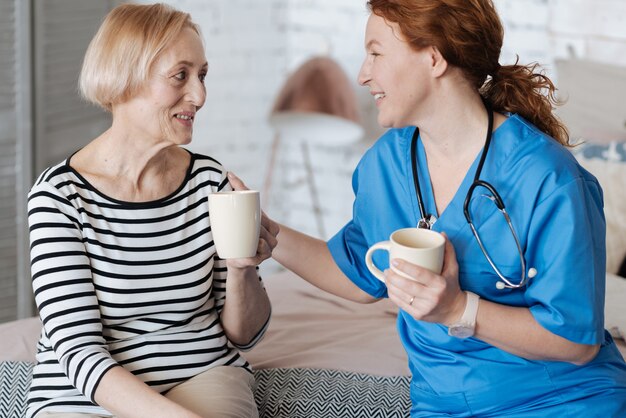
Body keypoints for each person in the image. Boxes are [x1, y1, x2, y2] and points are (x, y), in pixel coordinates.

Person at [230, 0, 626, 416]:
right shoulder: (386, 164)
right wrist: (265, 232)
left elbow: (576, 343)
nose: (363, 75)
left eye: (376, 53)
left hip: (562, 399)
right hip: (441, 404)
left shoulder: (549, 178)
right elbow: (359, 274)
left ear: (434, 58)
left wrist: (458, 309)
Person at [26, 3, 278, 418]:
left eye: (202, 75)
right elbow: (78, 350)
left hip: (202, 374)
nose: (199, 95)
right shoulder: (59, 195)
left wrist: (242, 267)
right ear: (125, 76)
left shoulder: (209, 182)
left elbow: (245, 336)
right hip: (83, 394)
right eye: (180, 75)